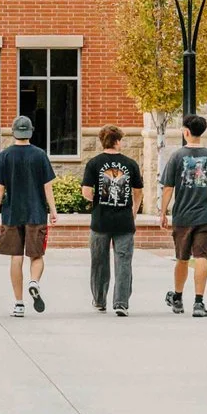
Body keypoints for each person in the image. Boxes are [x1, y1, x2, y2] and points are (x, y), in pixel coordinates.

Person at [0, 115, 56, 317]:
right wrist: (53, 210)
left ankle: (18, 304)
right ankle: (34, 282)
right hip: (36, 212)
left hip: (11, 214)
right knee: (37, 255)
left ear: (13, 131)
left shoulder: (5, 156)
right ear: (31, 132)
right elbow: (47, 186)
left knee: (16, 257)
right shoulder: (40, 155)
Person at [159, 113, 207, 317]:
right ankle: (199, 302)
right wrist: (205, 201)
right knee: (202, 257)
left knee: (182, 258)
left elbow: (168, 188)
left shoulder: (177, 156)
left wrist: (163, 212)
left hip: (183, 217)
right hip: (205, 216)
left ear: (186, 131)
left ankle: (177, 299)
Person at [81, 125, 144, 315]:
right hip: (124, 221)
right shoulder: (131, 163)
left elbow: (86, 192)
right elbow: (138, 191)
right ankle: (121, 303)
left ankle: (100, 300)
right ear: (117, 141)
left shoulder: (94, 163)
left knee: (99, 262)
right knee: (123, 262)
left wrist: (100, 200)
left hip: (100, 221)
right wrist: (133, 211)